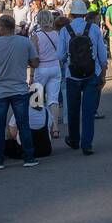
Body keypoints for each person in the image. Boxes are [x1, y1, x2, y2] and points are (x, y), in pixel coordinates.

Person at [0, 13, 41, 168]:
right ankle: (29, 157)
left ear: (1, 27)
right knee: (23, 124)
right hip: (19, 89)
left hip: (0, 90)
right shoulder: (24, 42)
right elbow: (35, 62)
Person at [57, 0, 108, 154]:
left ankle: (74, 139)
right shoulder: (93, 29)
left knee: (73, 110)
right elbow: (102, 56)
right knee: (88, 111)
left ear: (71, 14)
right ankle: (87, 144)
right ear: (85, 14)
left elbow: (60, 56)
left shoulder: (65, 30)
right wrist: (103, 73)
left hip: (72, 74)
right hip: (92, 73)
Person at [32, 10, 63, 138]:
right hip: (55, 67)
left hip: (41, 68)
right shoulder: (57, 34)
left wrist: (30, 75)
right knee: (53, 99)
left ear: (38, 20)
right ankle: (55, 127)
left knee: (37, 99)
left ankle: (38, 126)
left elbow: (34, 56)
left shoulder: (36, 35)